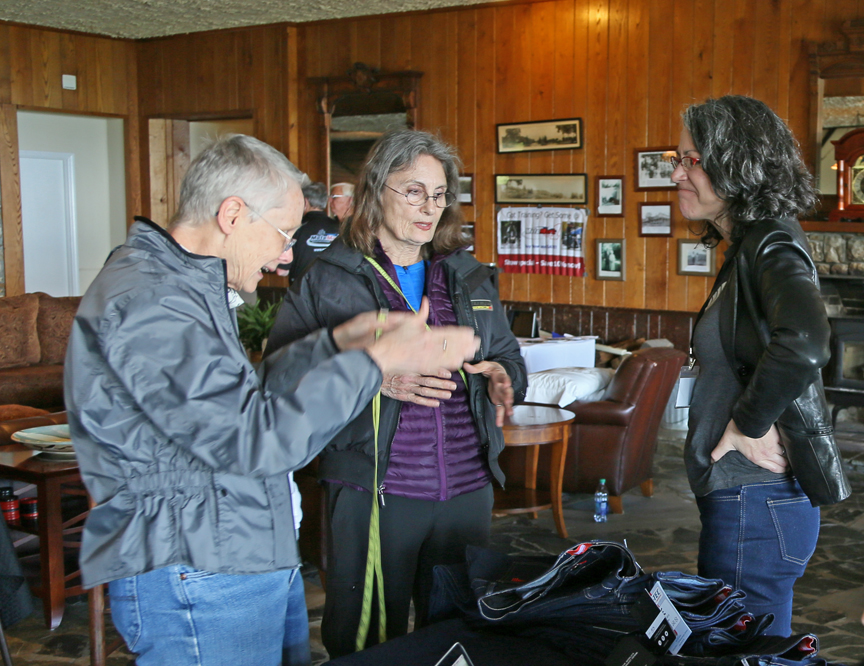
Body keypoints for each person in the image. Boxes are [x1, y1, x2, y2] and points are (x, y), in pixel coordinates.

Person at [64, 134, 479, 666]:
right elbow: (253, 440)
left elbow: (245, 401)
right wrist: (374, 364)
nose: (286, 256)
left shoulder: (186, 287)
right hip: (197, 570)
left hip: (235, 553)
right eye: (284, 233)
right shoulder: (154, 302)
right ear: (233, 214)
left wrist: (339, 342)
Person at [265, 129, 527, 658]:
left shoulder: (468, 276)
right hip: (373, 490)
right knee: (366, 644)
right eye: (413, 191)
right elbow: (280, 380)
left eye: (438, 194)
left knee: (459, 637)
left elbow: (511, 360)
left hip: (466, 490)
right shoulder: (328, 278)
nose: (429, 207)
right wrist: (377, 377)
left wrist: (502, 375)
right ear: (376, 190)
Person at [671, 95, 843, 637]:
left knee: (745, 653)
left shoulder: (769, 239)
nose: (676, 172)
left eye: (690, 160)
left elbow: (807, 341)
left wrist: (746, 425)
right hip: (749, 501)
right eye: (676, 159)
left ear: (735, 161)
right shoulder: (746, 245)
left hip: (757, 504)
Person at [288, 181, 340, 285]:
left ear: (305, 202)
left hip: (301, 291)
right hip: (334, 290)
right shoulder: (339, 228)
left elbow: (282, 270)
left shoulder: (296, 228)